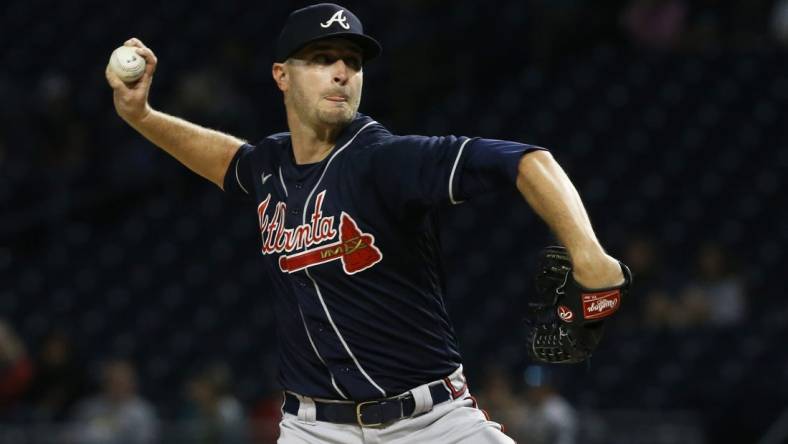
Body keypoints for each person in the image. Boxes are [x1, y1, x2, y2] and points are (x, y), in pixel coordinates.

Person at [105, 3, 626, 442]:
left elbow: (529, 161)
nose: (341, 72)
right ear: (281, 76)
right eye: (321, 58)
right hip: (314, 430)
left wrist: (590, 255)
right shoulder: (271, 166)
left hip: (431, 423)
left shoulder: (384, 159)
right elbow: (227, 160)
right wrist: (142, 117)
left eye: (352, 62)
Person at [68, 359, 158, 444]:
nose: (117, 387)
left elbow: (145, 440)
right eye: (112, 382)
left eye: (121, 383)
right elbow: (72, 436)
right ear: (104, 383)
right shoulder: (88, 408)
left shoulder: (142, 413)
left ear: (132, 384)